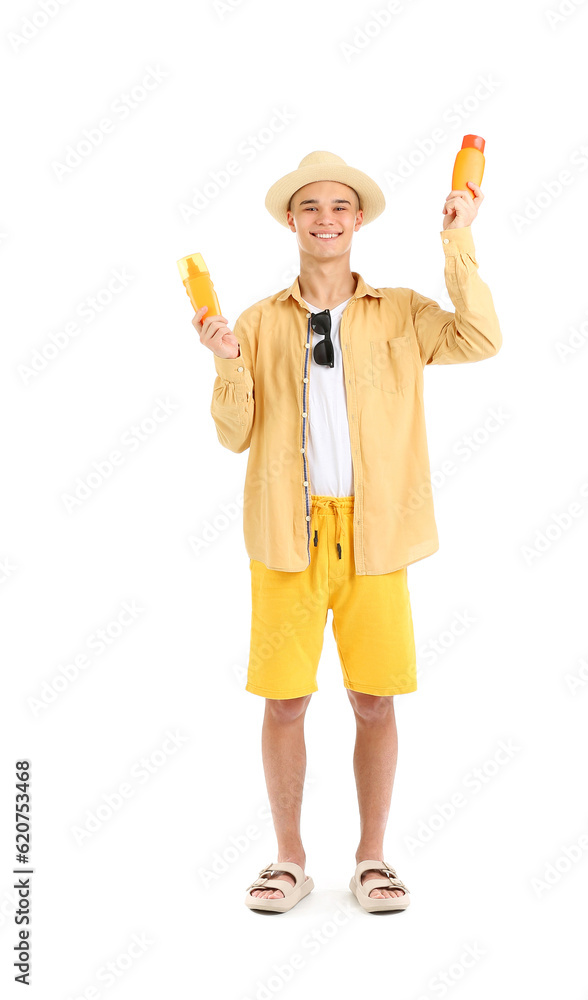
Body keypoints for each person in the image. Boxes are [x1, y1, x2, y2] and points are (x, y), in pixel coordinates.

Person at [193, 150, 502, 913]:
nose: (325, 218)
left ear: (357, 220)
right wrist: (226, 363)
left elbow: (480, 338)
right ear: (291, 222)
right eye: (310, 208)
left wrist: (456, 241)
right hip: (285, 537)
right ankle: (289, 859)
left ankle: (372, 859)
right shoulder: (259, 322)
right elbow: (233, 435)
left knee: (373, 698)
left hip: (375, 537)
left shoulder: (399, 310)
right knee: (285, 700)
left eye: (338, 206)